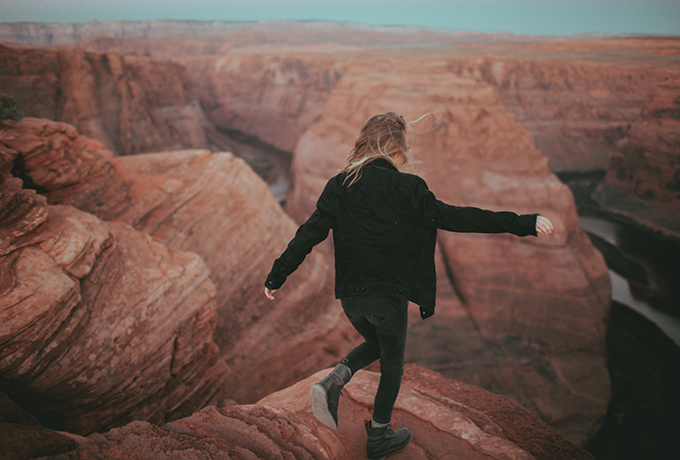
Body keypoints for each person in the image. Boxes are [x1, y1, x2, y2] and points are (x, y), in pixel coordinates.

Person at [264, 112, 553, 460]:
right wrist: (523, 223)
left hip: (351, 299)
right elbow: (459, 217)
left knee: (375, 342)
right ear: (395, 148)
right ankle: (380, 436)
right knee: (392, 364)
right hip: (388, 298)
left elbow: (307, 234)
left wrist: (276, 277)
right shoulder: (409, 187)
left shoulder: (338, 186)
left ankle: (335, 379)